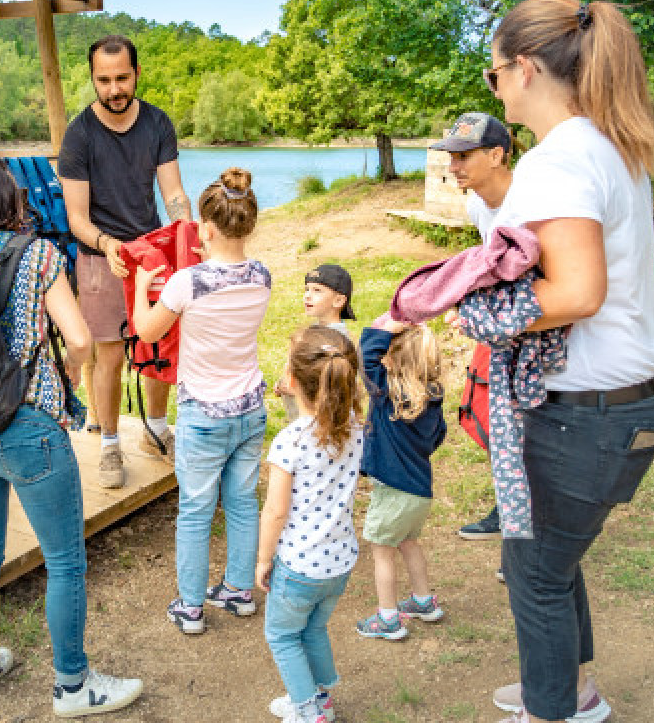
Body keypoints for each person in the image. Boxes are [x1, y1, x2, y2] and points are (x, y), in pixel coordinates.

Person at [482, 0, 654, 723]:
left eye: (495, 75)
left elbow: (579, 290)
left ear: (524, 69)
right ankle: (570, 691)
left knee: (532, 570)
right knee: (555, 563)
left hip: (586, 416)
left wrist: (475, 308)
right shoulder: (607, 145)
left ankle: (552, 709)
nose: (494, 90)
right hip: (627, 403)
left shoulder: (559, 159)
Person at [0, 160, 143, 718]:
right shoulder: (38, 254)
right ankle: (73, 687)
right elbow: (79, 338)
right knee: (64, 560)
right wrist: (73, 371)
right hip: (28, 426)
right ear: (12, 198)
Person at [130, 168, 271, 635]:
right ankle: (238, 591)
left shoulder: (186, 282)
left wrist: (139, 287)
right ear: (249, 225)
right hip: (250, 410)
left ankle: (190, 608)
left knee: (195, 510)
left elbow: (147, 333)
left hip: (203, 415)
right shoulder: (263, 277)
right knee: (243, 503)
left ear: (205, 230)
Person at [59, 34, 194, 489]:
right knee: (111, 355)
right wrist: (108, 243)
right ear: (93, 79)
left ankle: (157, 430)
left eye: (122, 78)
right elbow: (75, 217)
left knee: (157, 346)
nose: (114, 89)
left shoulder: (157, 123)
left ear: (137, 73)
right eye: (104, 80)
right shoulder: (79, 135)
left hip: (151, 253)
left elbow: (172, 193)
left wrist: (187, 235)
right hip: (101, 256)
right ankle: (110, 444)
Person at [256, 325, 364, 723]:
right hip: (340, 562)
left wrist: (263, 560)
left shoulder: (290, 441)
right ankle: (320, 697)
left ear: (294, 380)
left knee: (283, 636)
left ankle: (306, 711)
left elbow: (275, 512)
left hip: (300, 566)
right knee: (314, 630)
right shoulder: (354, 426)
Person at [429, 112, 513, 546]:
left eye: (463, 156)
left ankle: (536, 537)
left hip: (536, 330)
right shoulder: (479, 203)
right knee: (495, 416)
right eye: (451, 156)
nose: (453, 166)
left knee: (530, 429)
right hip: (498, 328)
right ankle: (508, 509)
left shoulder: (530, 202)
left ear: (497, 155)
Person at [353, 315, 447, 641]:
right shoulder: (432, 400)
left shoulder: (386, 396)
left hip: (393, 492)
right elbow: (438, 438)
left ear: (392, 360)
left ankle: (388, 618)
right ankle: (424, 601)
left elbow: (365, 354)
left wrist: (383, 327)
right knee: (409, 543)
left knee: (382, 551)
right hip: (420, 490)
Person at [275, 263, 357, 421]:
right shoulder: (313, 332)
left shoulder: (338, 341)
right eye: (307, 289)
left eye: (317, 291)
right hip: (305, 420)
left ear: (339, 300)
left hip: (323, 424)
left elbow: (331, 387)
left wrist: (293, 388)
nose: (307, 295)